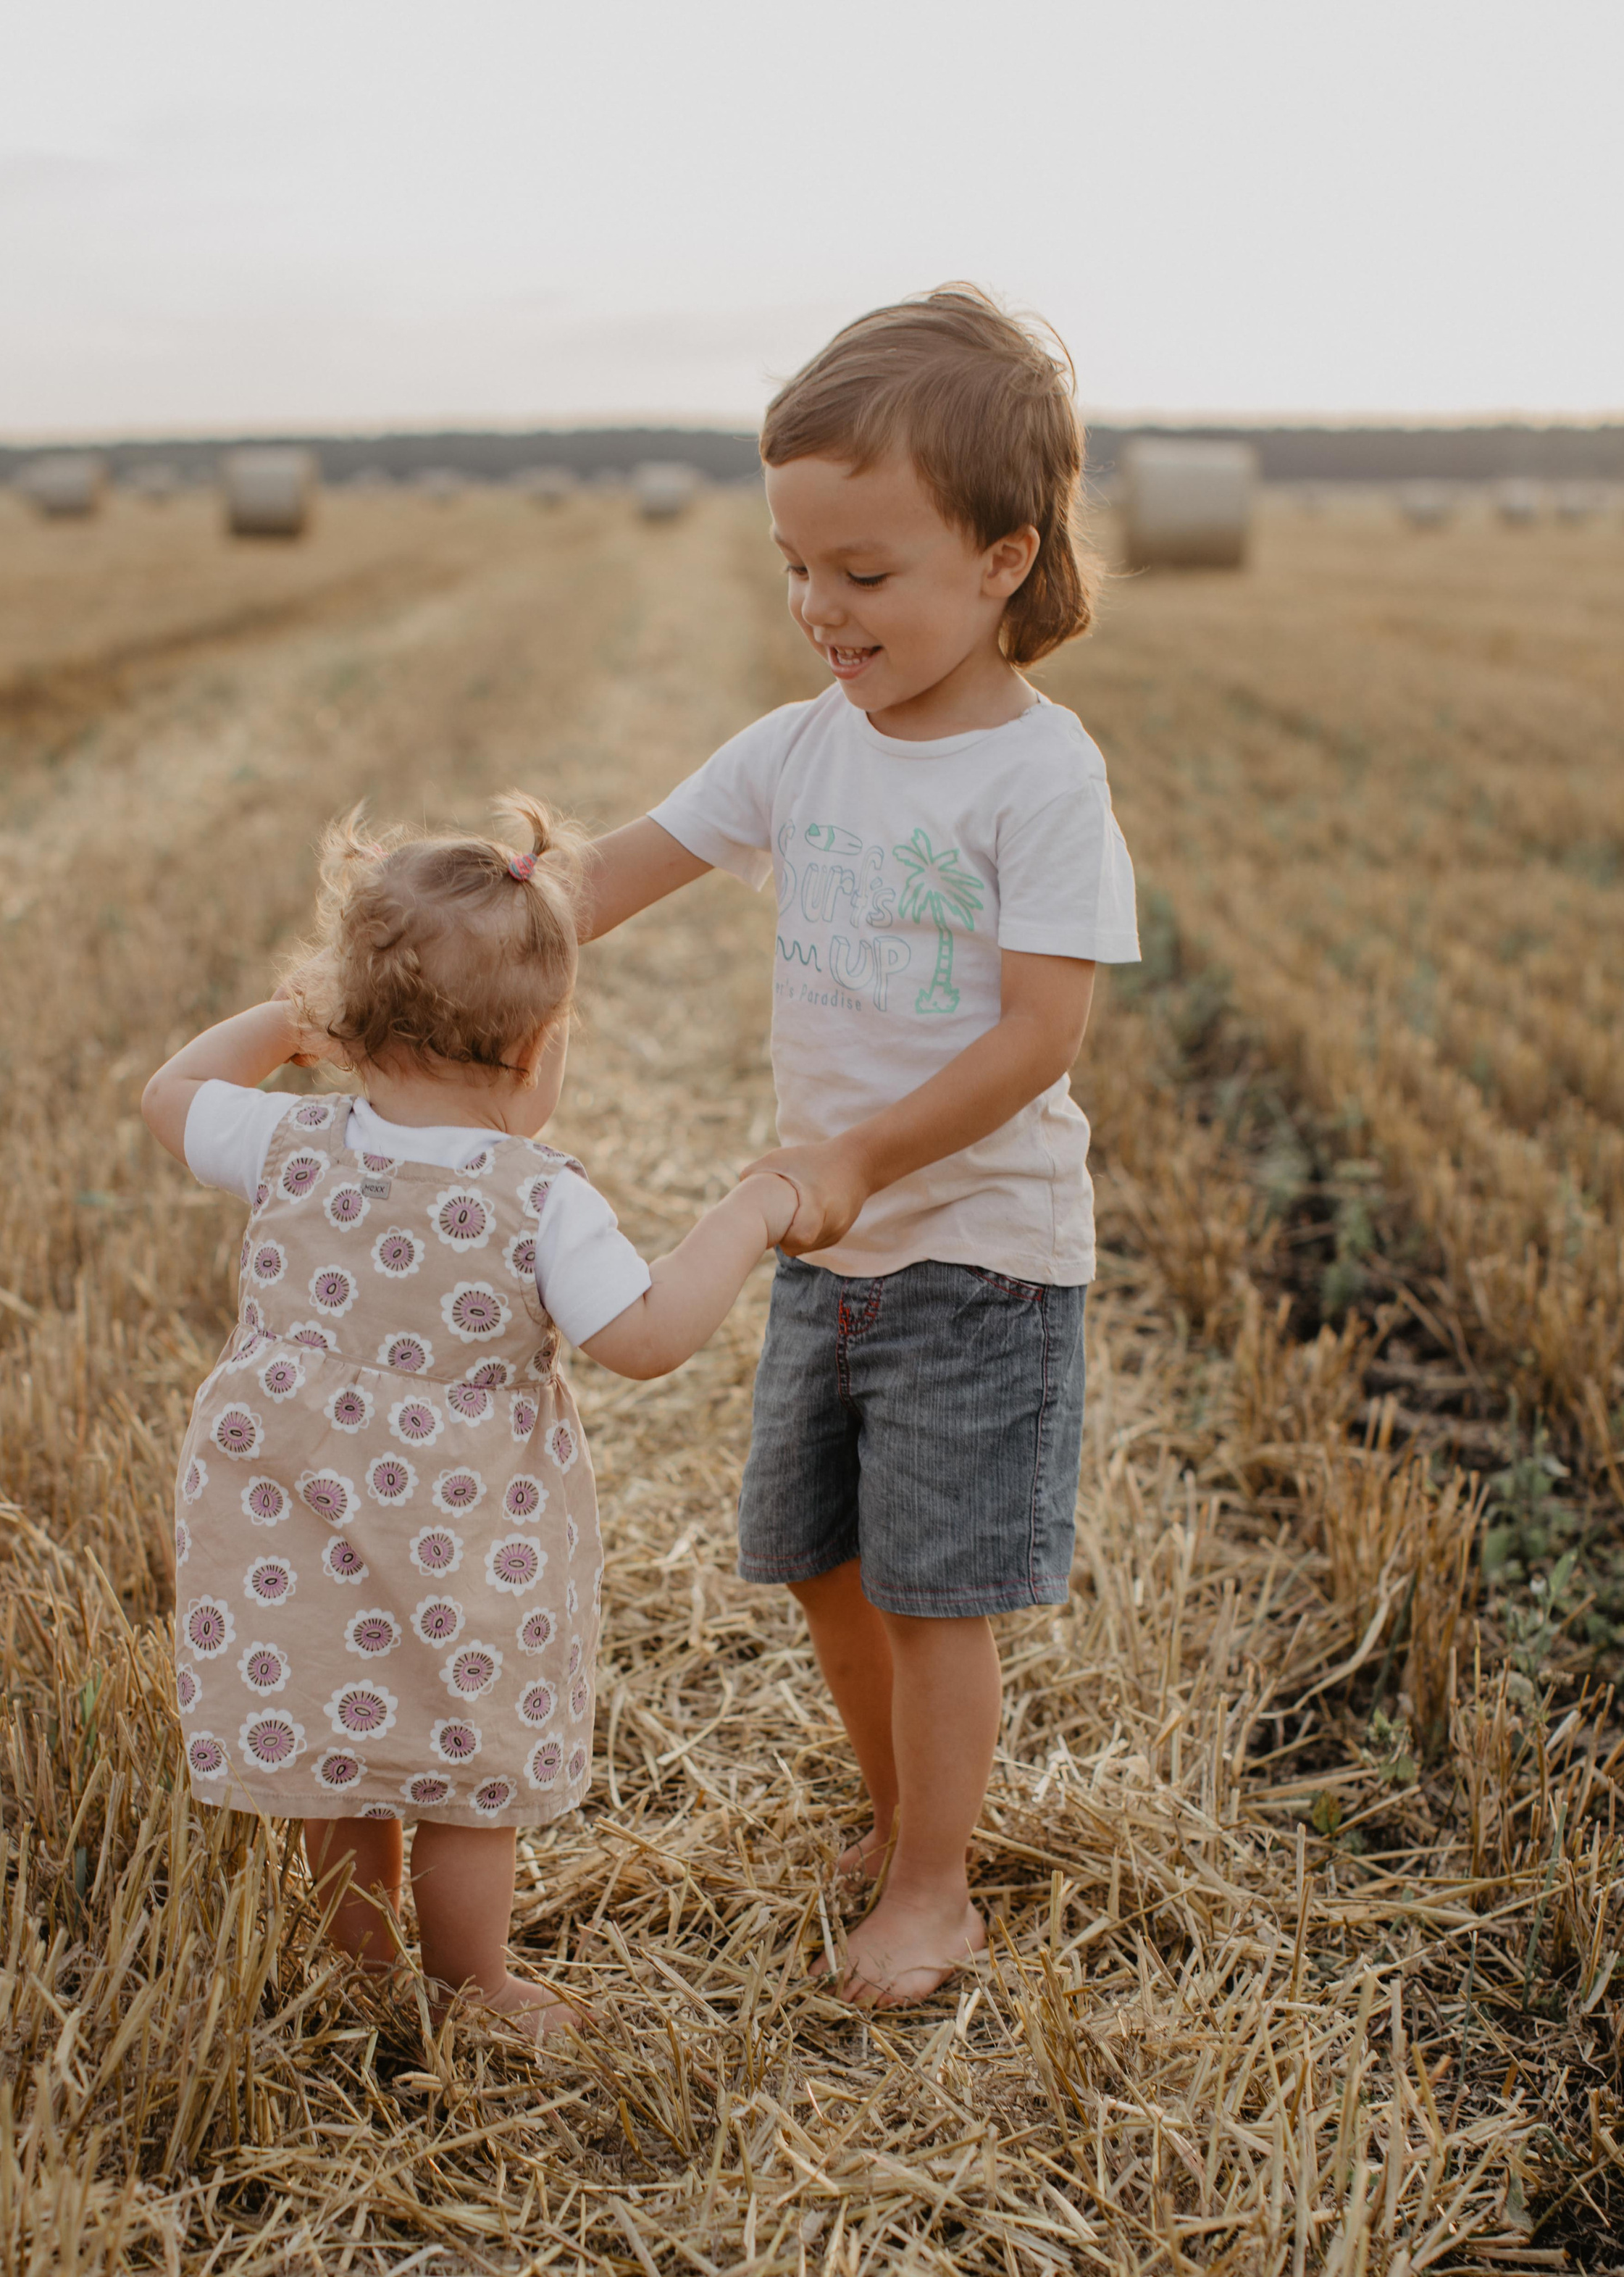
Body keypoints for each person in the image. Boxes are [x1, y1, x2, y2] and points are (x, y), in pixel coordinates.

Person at [579, 286, 1141, 2006]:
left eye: (864, 571)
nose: (819, 607)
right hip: (834, 1252)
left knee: (927, 1592)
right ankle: (900, 1821)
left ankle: (934, 1889)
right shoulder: (799, 748)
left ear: (999, 559)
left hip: (976, 1254)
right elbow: (606, 876)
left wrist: (860, 1158)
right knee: (819, 1563)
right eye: (794, 566)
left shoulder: (1036, 778)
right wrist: (442, 928)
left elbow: (1036, 1034)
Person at [142, 798, 796, 2039]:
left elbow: (171, 1089)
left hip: (298, 1526)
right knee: (463, 1765)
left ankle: (362, 1971)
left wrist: (291, 1023)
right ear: (541, 1048)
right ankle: (473, 1984)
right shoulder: (538, 1198)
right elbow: (646, 1339)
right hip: (463, 1545)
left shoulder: (288, 1140)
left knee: (344, 1743)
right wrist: (749, 1215)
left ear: (347, 1022)